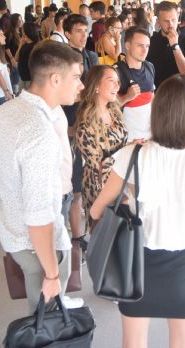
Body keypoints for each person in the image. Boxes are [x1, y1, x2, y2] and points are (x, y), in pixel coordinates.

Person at [90, 74, 185, 348]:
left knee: (133, 343)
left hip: (136, 267)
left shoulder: (133, 155)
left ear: (158, 110)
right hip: (184, 273)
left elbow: (96, 211)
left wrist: (131, 201)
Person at [0, 41, 85, 313]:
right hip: (37, 244)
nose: (81, 86)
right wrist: (53, 275)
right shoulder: (40, 132)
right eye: (76, 77)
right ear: (55, 79)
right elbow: (39, 216)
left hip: (13, 229)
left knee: (41, 305)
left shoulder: (3, 112)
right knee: (45, 315)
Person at [75, 65, 128, 230]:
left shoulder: (114, 111)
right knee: (103, 240)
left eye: (117, 82)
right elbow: (100, 166)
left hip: (120, 183)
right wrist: (128, 151)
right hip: (100, 189)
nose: (117, 86)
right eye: (110, 81)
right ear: (96, 85)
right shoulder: (86, 125)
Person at [62, 14, 99, 250]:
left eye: (85, 30)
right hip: (69, 128)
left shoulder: (91, 56)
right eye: (78, 30)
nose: (83, 35)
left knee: (92, 184)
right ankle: (77, 238)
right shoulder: (60, 61)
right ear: (66, 33)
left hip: (91, 126)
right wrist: (67, 129)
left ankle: (93, 229)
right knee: (74, 189)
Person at [115, 26, 155, 141]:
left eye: (147, 46)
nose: (145, 50)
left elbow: (152, 96)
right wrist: (126, 98)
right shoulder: (115, 71)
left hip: (149, 135)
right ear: (127, 45)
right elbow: (105, 107)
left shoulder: (150, 66)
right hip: (126, 138)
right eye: (140, 45)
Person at [146, 1, 185, 88]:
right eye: (166, 21)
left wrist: (175, 46)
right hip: (158, 93)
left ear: (178, 18)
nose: (171, 25)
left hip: (181, 92)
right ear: (158, 21)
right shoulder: (151, 42)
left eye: (173, 20)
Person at [15, 22, 40, 88]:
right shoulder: (24, 44)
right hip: (23, 78)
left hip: (30, 79)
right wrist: (20, 45)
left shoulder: (35, 46)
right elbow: (16, 59)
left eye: (23, 30)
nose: (21, 31)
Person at [5, 13, 23, 93]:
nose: (20, 22)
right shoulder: (9, 33)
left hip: (19, 57)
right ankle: (13, 93)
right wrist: (11, 58)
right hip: (12, 58)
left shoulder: (21, 31)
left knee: (17, 77)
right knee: (14, 78)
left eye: (21, 20)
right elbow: (7, 47)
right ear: (14, 21)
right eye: (18, 20)